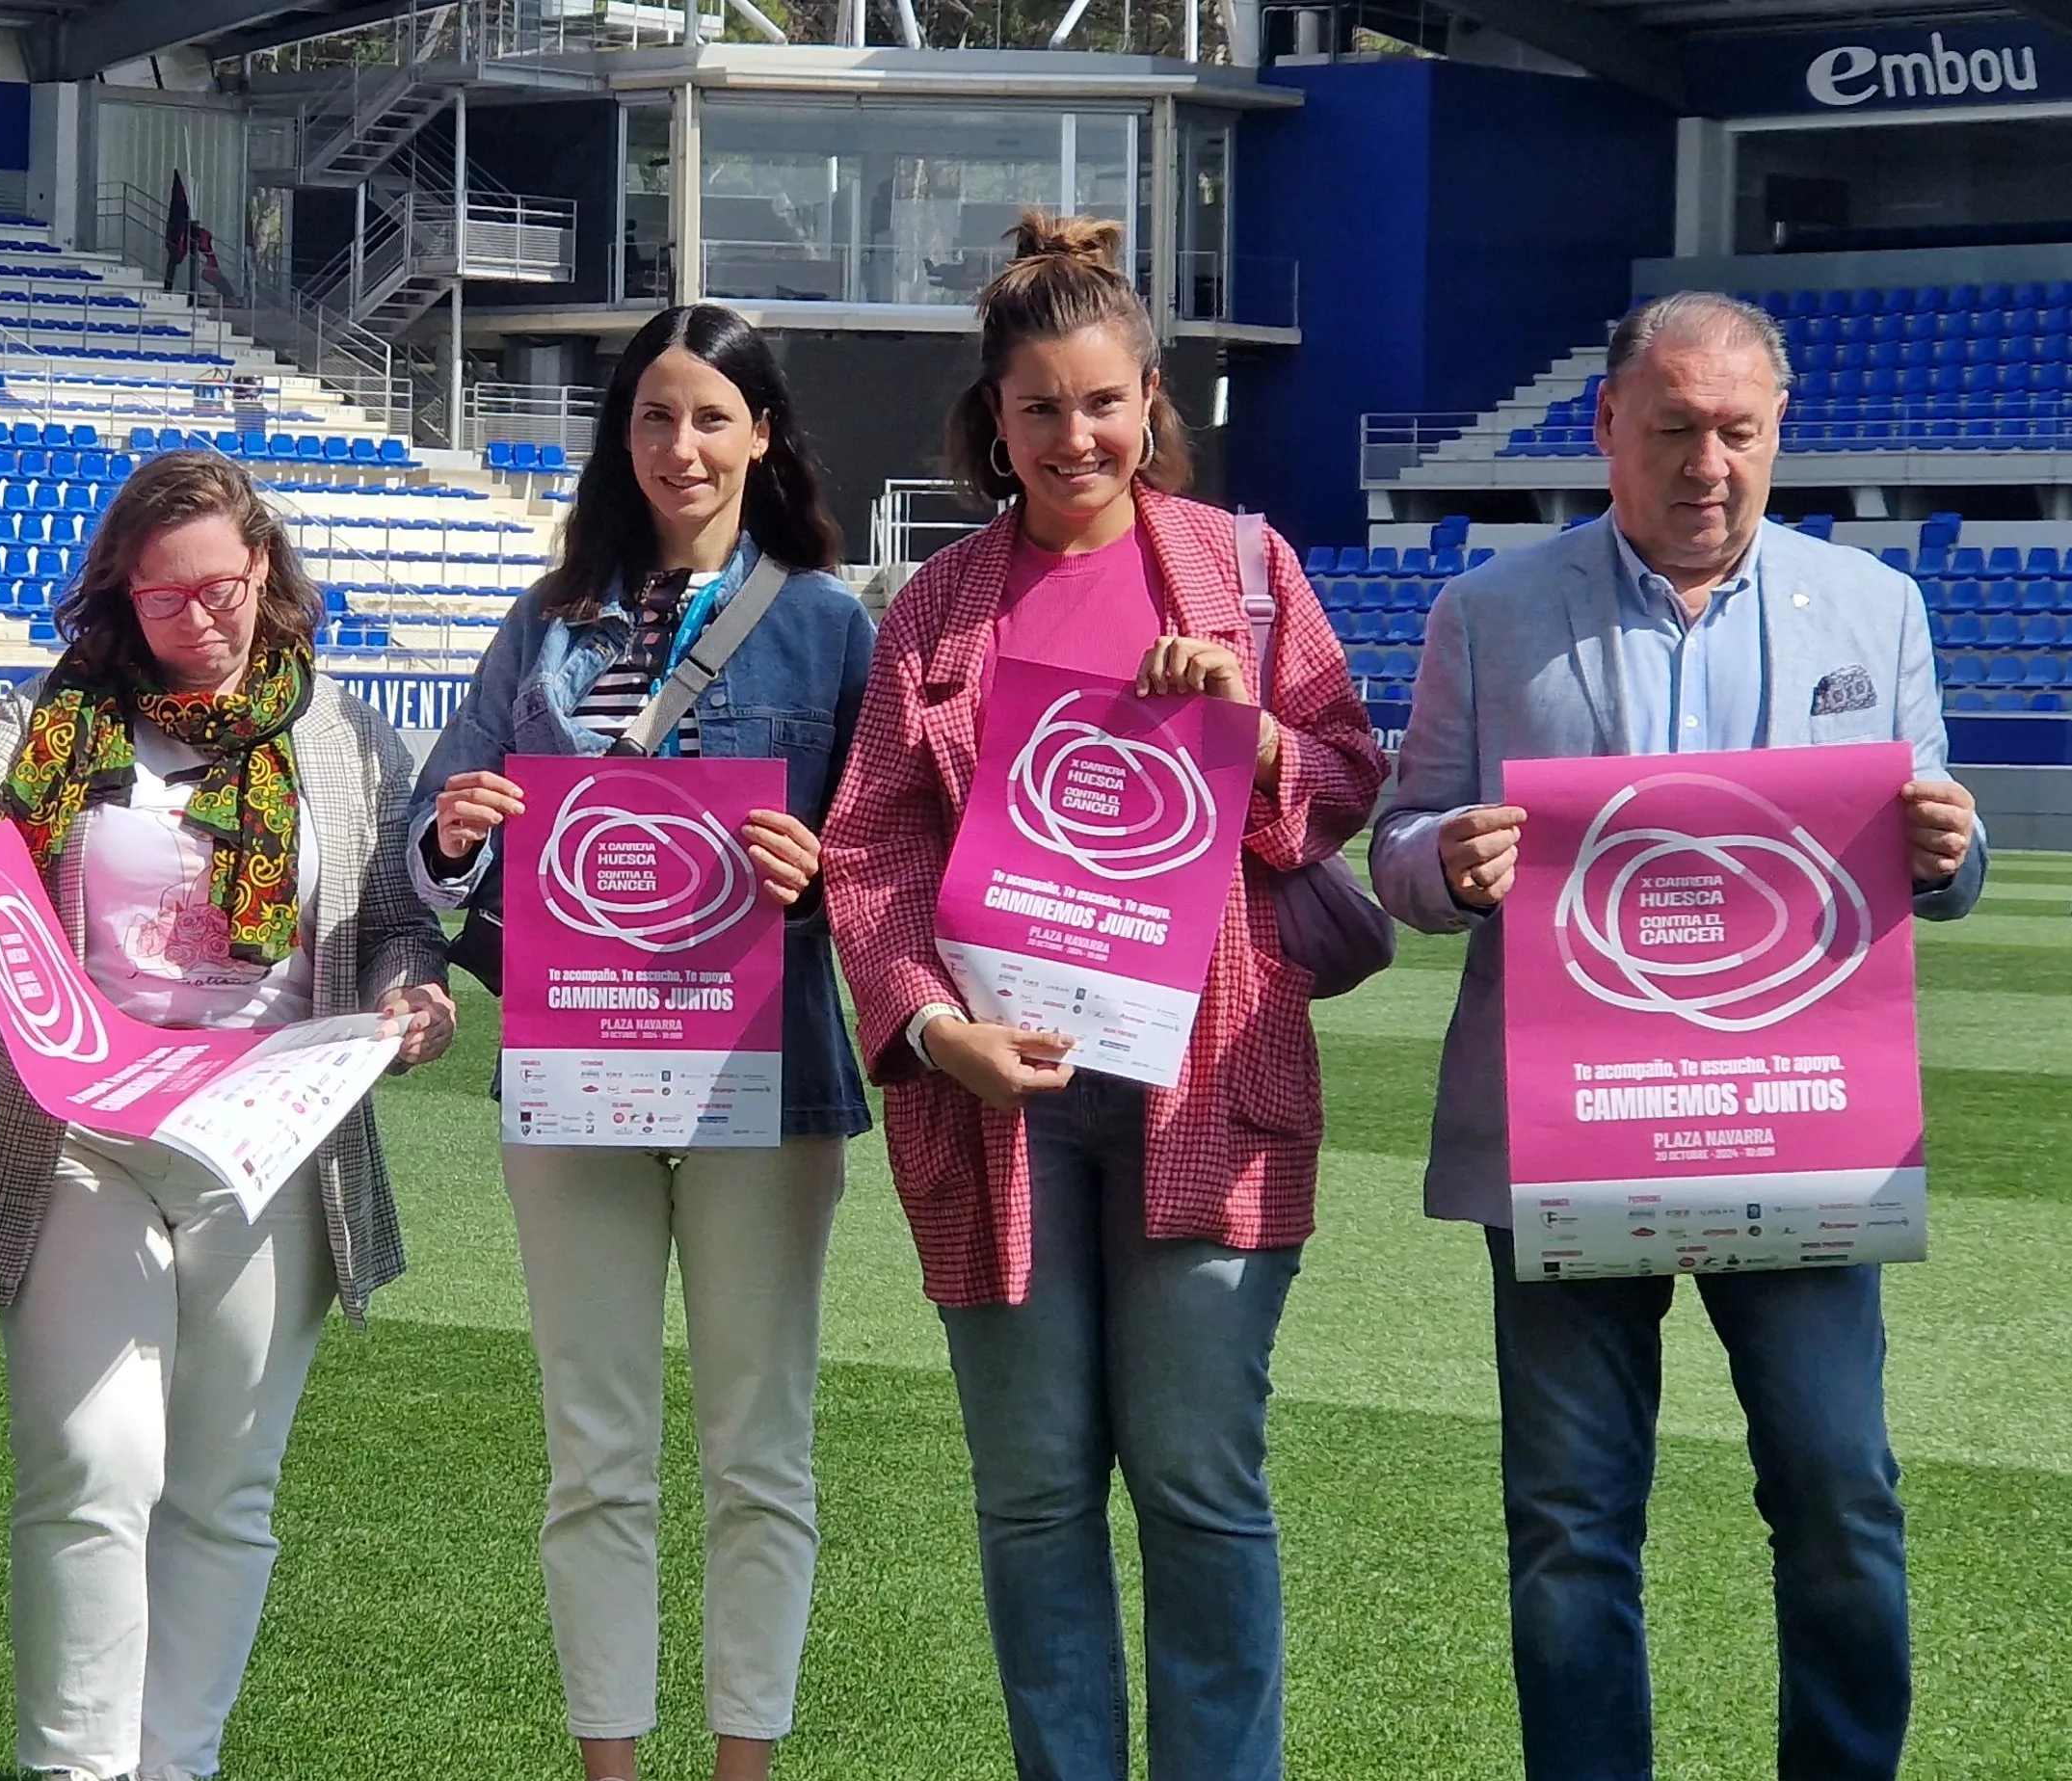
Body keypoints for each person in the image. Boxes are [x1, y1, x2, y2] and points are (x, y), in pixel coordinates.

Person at [1368, 290, 1982, 1781]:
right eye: (1674, 430)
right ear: (1607, 433)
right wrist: (1448, 859)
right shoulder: (1489, 612)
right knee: (1573, 1520)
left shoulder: (1875, 606)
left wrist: (1951, 851)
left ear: (1778, 434)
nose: (1708, 462)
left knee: (1841, 1490)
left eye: (1739, 431)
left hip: (1806, 1127)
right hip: (1570, 1132)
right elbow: (1394, 842)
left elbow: (1937, 864)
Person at [815, 214, 1384, 1781]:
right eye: (1041, 406)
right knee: (1036, 1496)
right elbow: (867, 851)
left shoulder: (1248, 575)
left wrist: (1262, 740)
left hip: (1207, 1087)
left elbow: (1344, 780)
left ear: (1154, 398)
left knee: (1202, 1487)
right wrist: (937, 1031)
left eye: (1105, 400)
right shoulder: (935, 607)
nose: (1078, 435)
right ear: (990, 423)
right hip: (1003, 1107)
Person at [0, 448, 457, 1781]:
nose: (206, 619)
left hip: (270, 1138)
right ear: (123, 597)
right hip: (80, 1130)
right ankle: (76, 1770)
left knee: (226, 1493)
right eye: (169, 598)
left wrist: (419, 1002)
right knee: (87, 1466)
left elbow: (400, 922)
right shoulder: (61, 716)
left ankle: (176, 1762)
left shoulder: (344, 738)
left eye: (227, 587)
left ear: (268, 575)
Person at [404, 303, 871, 1781]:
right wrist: (455, 832)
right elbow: (435, 842)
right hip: (575, 1070)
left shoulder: (830, 623)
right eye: (657, 416)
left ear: (765, 436)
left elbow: (893, 863)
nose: (682, 445)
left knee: (758, 1451)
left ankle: (746, 1768)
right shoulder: (545, 621)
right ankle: (609, 1768)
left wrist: (827, 871)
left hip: (766, 1076)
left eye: (713, 417)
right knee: (594, 1451)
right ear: (624, 436)